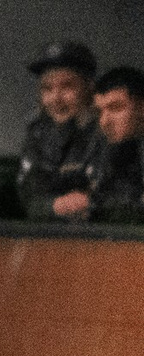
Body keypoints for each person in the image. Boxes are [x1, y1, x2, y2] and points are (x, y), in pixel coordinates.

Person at [19, 40, 100, 221]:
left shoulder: (107, 132)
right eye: (47, 88)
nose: (56, 98)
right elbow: (29, 199)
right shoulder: (37, 135)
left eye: (67, 86)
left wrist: (91, 203)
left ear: (89, 88)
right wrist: (56, 206)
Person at [85, 65, 144, 222]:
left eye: (116, 108)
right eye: (99, 112)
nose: (104, 121)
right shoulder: (100, 150)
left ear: (141, 108)